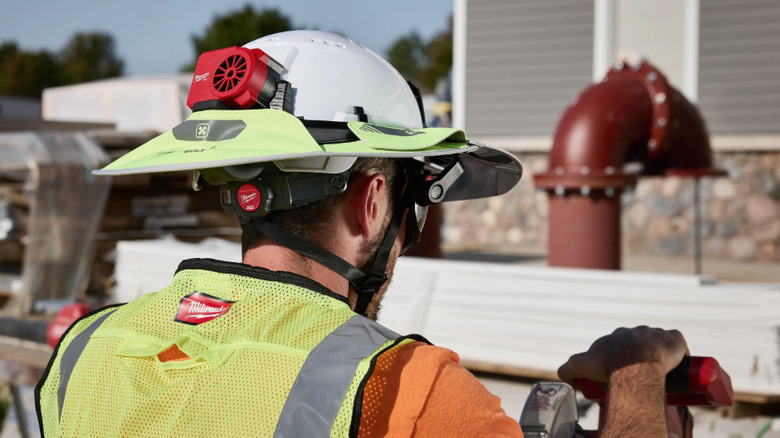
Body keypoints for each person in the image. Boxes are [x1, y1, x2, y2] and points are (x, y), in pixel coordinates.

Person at [36, 30, 688, 437]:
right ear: (375, 203)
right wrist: (636, 376)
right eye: (414, 206)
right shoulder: (403, 389)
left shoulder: (85, 351)